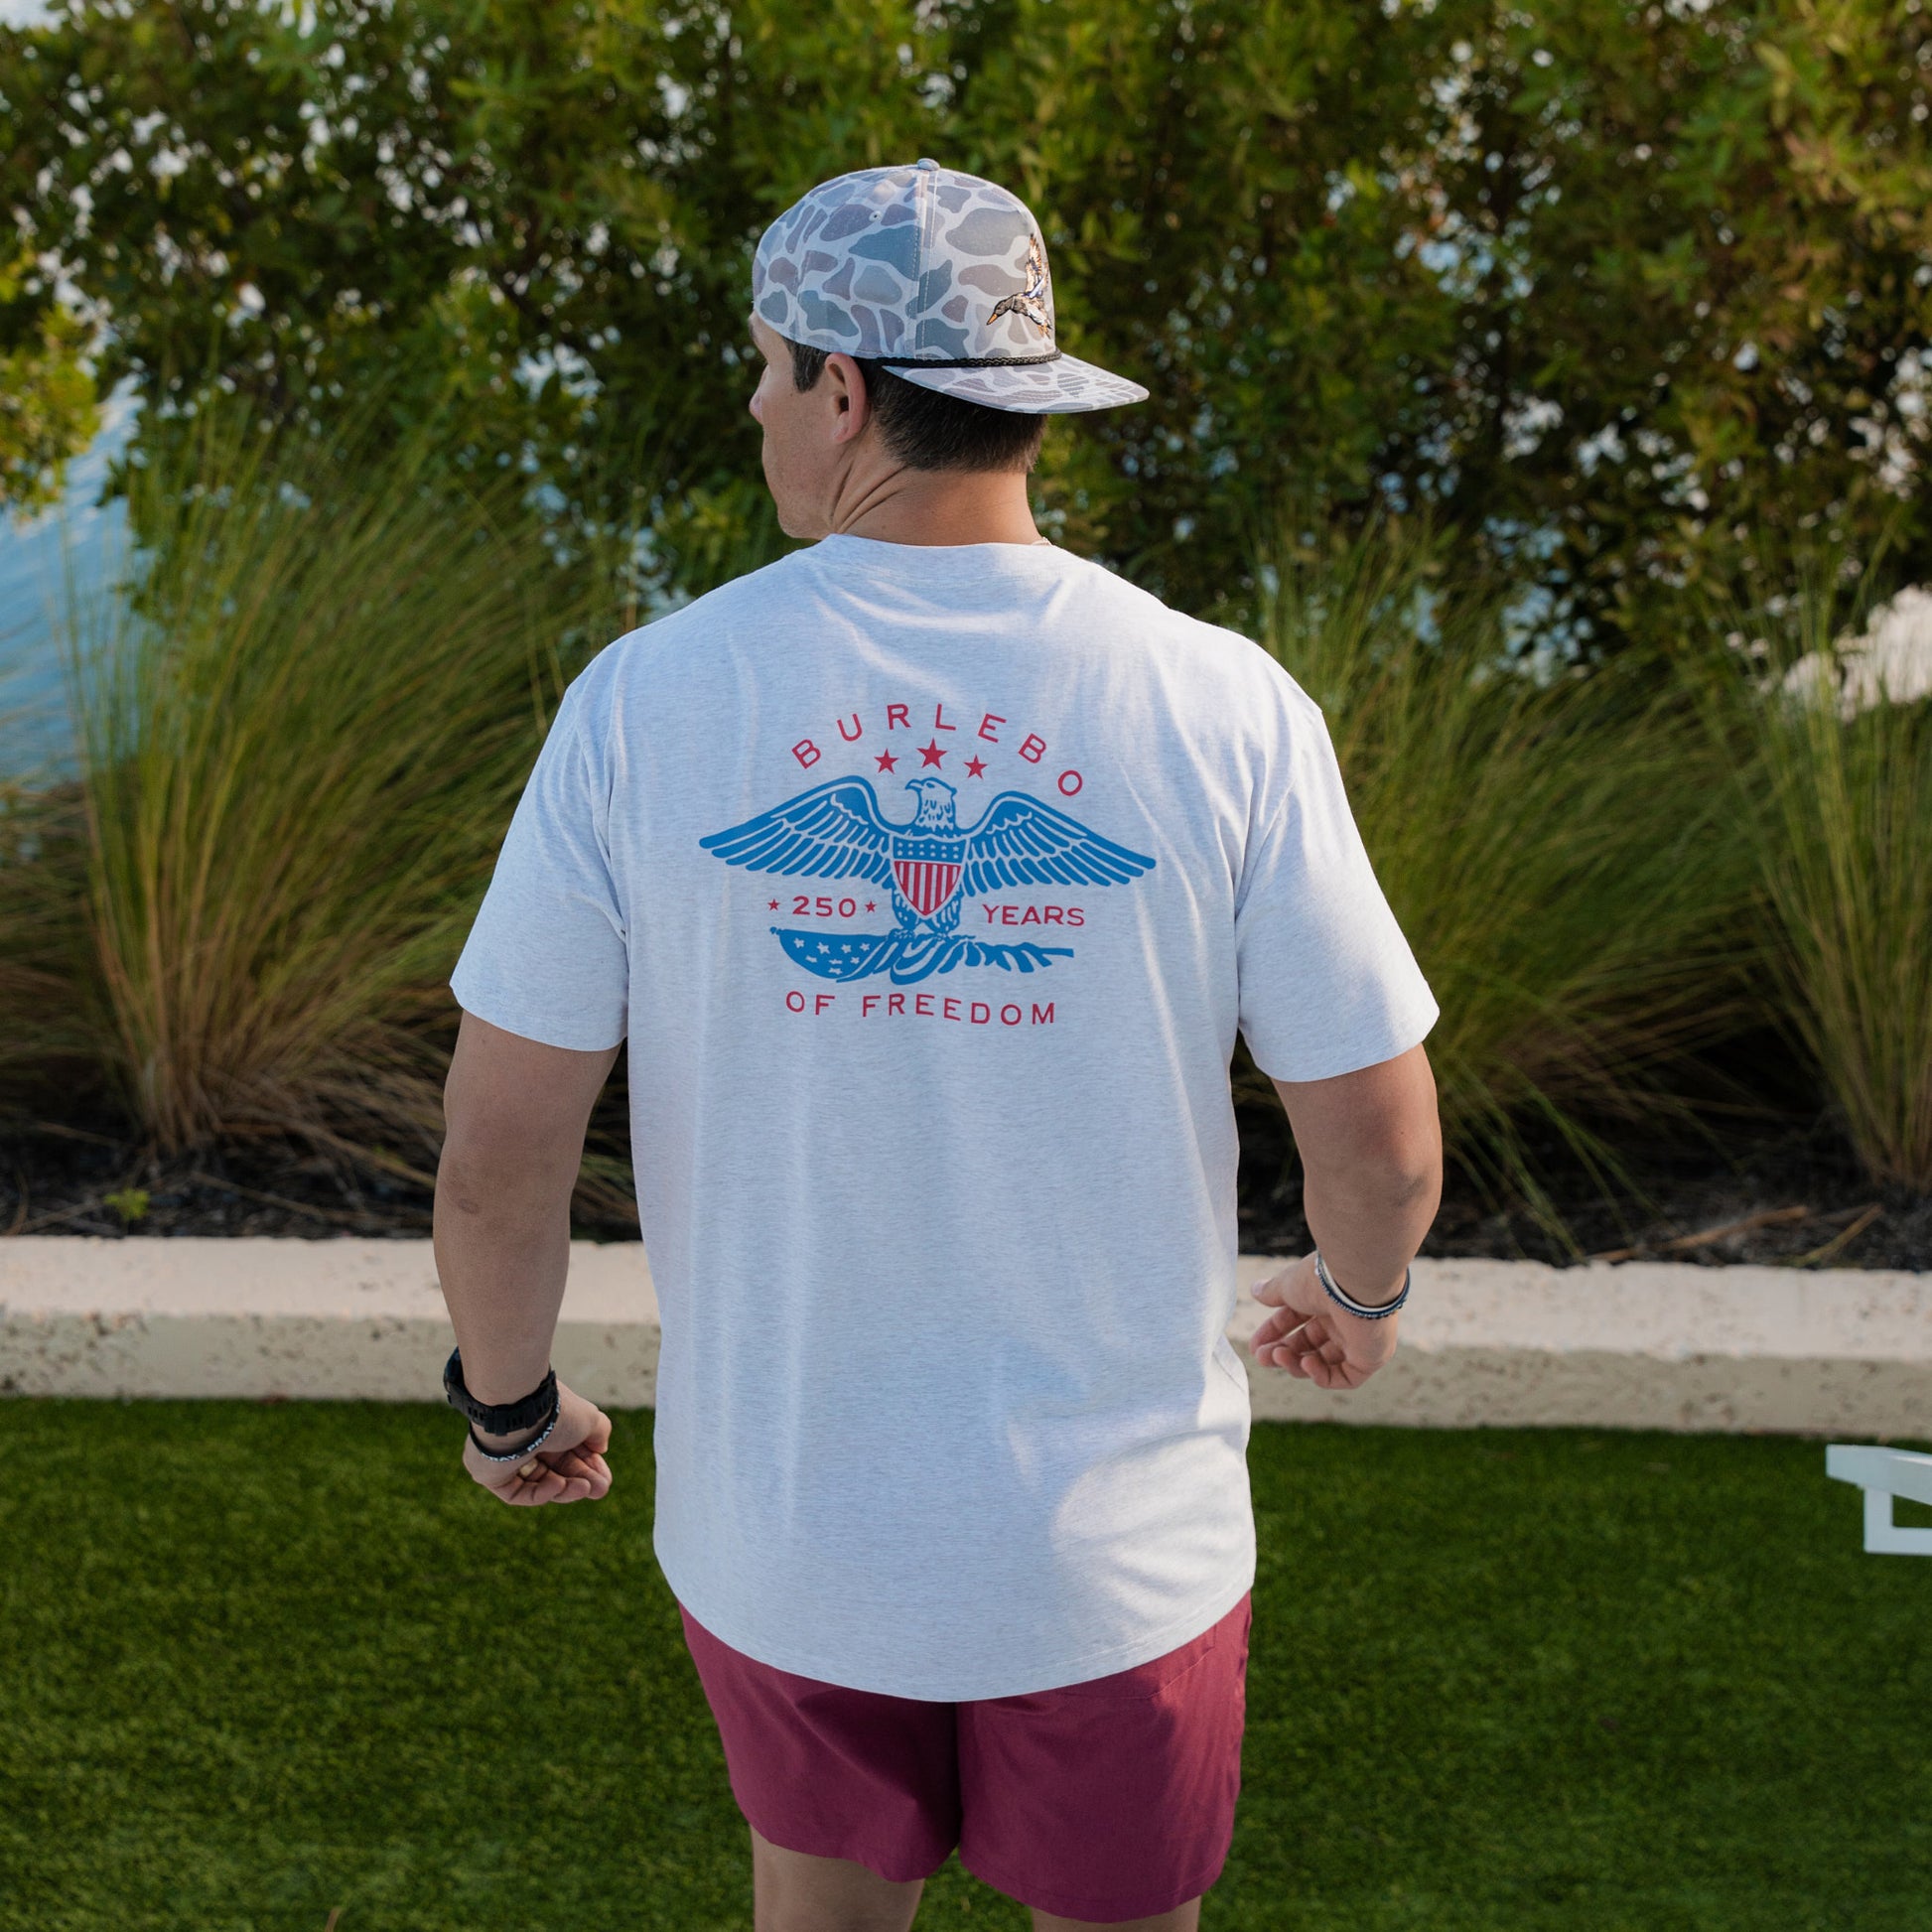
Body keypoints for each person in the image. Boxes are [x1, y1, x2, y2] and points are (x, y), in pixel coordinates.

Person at [434, 159, 1443, 1932]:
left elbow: (499, 1161)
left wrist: (511, 1400)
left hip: (789, 1545)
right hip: (1117, 1561)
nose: (755, 405)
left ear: (841, 388)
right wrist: (1355, 1295)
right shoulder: (1220, 699)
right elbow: (1380, 1142)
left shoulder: (645, 702)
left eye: (765, 368)